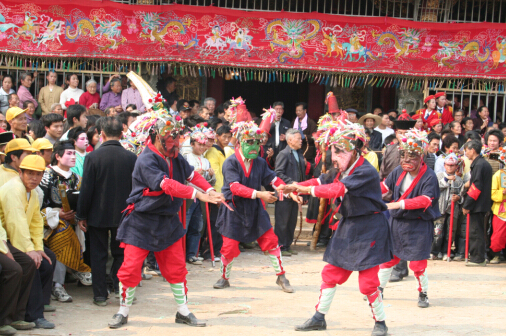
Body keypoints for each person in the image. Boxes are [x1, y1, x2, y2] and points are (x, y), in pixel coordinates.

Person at [109, 93, 222, 329]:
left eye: (176, 138)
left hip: (167, 221)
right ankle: (123, 311)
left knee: (176, 268)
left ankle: (183, 311)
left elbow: (191, 175)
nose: (174, 143)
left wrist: (210, 189)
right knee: (130, 268)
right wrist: (197, 195)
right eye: (169, 138)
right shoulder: (146, 159)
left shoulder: (176, 156)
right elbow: (165, 184)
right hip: (142, 220)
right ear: (156, 136)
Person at [293, 120, 391, 336]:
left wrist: (305, 191)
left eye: (340, 151)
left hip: (370, 227)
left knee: (368, 282)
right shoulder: (341, 168)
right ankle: (319, 317)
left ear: (355, 150)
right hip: (348, 226)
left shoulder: (365, 170)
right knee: (330, 273)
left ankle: (381, 324)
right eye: (333, 151)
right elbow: (320, 181)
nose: (334, 157)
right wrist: (294, 186)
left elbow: (337, 189)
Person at [212, 120, 293, 294]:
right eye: (250, 142)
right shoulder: (231, 162)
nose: (254, 146)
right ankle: (224, 278)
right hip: (233, 208)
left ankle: (281, 276)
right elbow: (234, 187)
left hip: (254, 208)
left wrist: (286, 191)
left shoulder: (260, 163)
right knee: (229, 247)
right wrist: (260, 194)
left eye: (257, 142)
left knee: (271, 240)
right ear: (240, 143)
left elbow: (272, 179)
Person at [76, 117, 137, 306]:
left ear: (101, 134)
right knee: (121, 254)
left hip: (98, 213)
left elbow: (86, 189)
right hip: (124, 213)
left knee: (98, 253)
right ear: (121, 134)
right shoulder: (131, 157)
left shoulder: (92, 157)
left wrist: (81, 214)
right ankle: (121, 289)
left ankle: (100, 294)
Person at [378, 128, 440, 309]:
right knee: (389, 258)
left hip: (418, 224)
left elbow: (425, 200)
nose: (406, 159)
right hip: (396, 223)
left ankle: (423, 293)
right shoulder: (398, 171)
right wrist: (367, 193)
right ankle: (378, 289)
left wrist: (397, 204)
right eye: (403, 155)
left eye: (411, 155)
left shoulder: (429, 176)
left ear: (421, 156)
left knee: (418, 263)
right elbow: (383, 187)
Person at [0, 154, 56, 329]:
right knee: (28, 263)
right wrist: (28, 250)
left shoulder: (32, 192)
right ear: (20, 172)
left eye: (38, 174)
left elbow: (35, 222)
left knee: (48, 259)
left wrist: (38, 248)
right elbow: (15, 223)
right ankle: (30, 314)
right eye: (29, 173)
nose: (34, 178)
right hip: (8, 237)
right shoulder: (13, 189)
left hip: (13, 237)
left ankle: (32, 310)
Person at [39, 140, 91, 303]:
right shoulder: (47, 176)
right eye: (68, 154)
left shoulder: (77, 178)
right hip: (49, 221)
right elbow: (41, 202)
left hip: (72, 219)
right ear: (57, 156)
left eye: (74, 153)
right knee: (62, 236)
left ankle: (75, 269)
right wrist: (58, 214)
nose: (73, 157)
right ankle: (58, 284)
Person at [183, 129, 216, 264]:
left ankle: (192, 254)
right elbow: (182, 177)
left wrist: (211, 175)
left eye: (204, 145)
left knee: (197, 226)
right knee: (184, 225)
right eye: (199, 144)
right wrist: (194, 174)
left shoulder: (205, 160)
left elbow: (209, 182)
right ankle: (180, 254)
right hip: (189, 196)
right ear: (192, 144)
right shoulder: (185, 157)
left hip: (202, 196)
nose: (202, 147)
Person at [274, 129, 309, 256]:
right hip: (285, 192)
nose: (301, 141)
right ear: (290, 140)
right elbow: (278, 173)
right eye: (298, 139)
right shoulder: (283, 154)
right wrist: (291, 182)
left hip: (296, 193)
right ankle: (280, 246)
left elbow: (302, 176)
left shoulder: (299, 154)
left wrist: (304, 193)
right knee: (282, 220)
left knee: (291, 220)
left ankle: (287, 245)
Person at [0, 221, 37, 335]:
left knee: (28, 263)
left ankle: (16, 316)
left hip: (2, 242)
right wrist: (6, 252)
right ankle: (3, 320)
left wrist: (34, 248)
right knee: (13, 269)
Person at [203, 125, 232, 261]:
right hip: (216, 193)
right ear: (217, 137)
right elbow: (216, 176)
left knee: (220, 223)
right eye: (223, 136)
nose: (226, 139)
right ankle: (210, 251)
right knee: (214, 223)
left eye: (228, 136)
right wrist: (219, 194)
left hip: (223, 192)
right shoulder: (213, 152)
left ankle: (218, 250)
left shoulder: (225, 150)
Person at [462, 140, 492, 266]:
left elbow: (476, 187)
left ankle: (477, 258)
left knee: (476, 231)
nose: (466, 153)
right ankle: (478, 257)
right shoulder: (480, 163)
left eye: (467, 150)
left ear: (472, 150)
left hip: (478, 204)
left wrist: (467, 205)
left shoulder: (479, 164)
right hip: (481, 203)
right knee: (478, 230)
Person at [431, 154, 464, 260]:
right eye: (448, 165)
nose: (450, 167)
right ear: (444, 165)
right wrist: (446, 179)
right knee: (437, 231)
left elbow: (462, 194)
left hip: (452, 210)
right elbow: (435, 189)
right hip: (439, 209)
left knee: (450, 231)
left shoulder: (459, 179)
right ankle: (435, 251)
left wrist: (458, 198)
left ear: (456, 166)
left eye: (452, 165)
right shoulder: (438, 176)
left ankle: (446, 251)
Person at [489, 147, 506, 264]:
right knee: (498, 235)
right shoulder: (498, 175)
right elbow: (493, 194)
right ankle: (496, 255)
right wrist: (502, 192)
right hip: (501, 209)